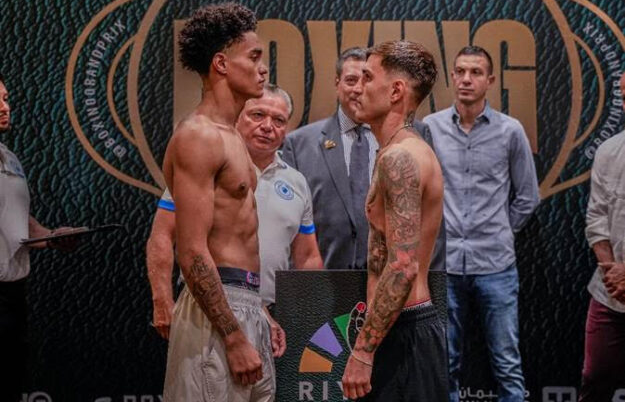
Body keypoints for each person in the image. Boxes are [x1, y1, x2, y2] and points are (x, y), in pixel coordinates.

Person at [160, 3, 276, 401]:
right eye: (254, 57)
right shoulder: (199, 136)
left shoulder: (232, 135)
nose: (263, 68)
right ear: (222, 64)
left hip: (246, 303)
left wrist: (258, 312)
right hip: (217, 315)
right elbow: (192, 252)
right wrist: (233, 336)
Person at [146, 84, 323, 342]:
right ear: (238, 117)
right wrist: (161, 299)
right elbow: (162, 235)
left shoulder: (296, 182)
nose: (267, 126)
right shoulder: (206, 163)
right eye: (258, 115)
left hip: (272, 317)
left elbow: (307, 257)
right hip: (208, 306)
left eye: (279, 120)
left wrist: (311, 319)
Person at [424, 46, 540, 402]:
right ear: (451, 77)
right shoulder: (430, 128)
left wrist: (501, 230)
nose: (466, 79)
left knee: (506, 361)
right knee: (445, 362)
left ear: (490, 80)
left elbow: (528, 196)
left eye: (475, 72)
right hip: (445, 265)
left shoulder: (510, 131)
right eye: (460, 71)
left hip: (496, 265)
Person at [341, 40, 447, 401]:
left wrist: (363, 351)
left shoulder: (401, 157)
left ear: (396, 91)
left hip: (405, 332)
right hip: (398, 328)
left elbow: (402, 265)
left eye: (368, 77)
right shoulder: (397, 151)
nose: (358, 87)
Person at [0, 74, 78, 401]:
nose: (5, 107)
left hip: (12, 297)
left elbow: (18, 219)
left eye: (6, 98)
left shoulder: (9, 158)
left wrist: (50, 236)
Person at [281, 48, 375, 270]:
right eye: (351, 80)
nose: (359, 88)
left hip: (386, 280)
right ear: (337, 83)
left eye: (367, 80)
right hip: (322, 278)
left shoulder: (403, 139)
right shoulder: (298, 144)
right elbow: (289, 223)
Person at [580, 71, 625, 401]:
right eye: (624, 95)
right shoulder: (609, 151)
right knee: (595, 378)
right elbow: (596, 218)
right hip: (611, 294)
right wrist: (612, 274)